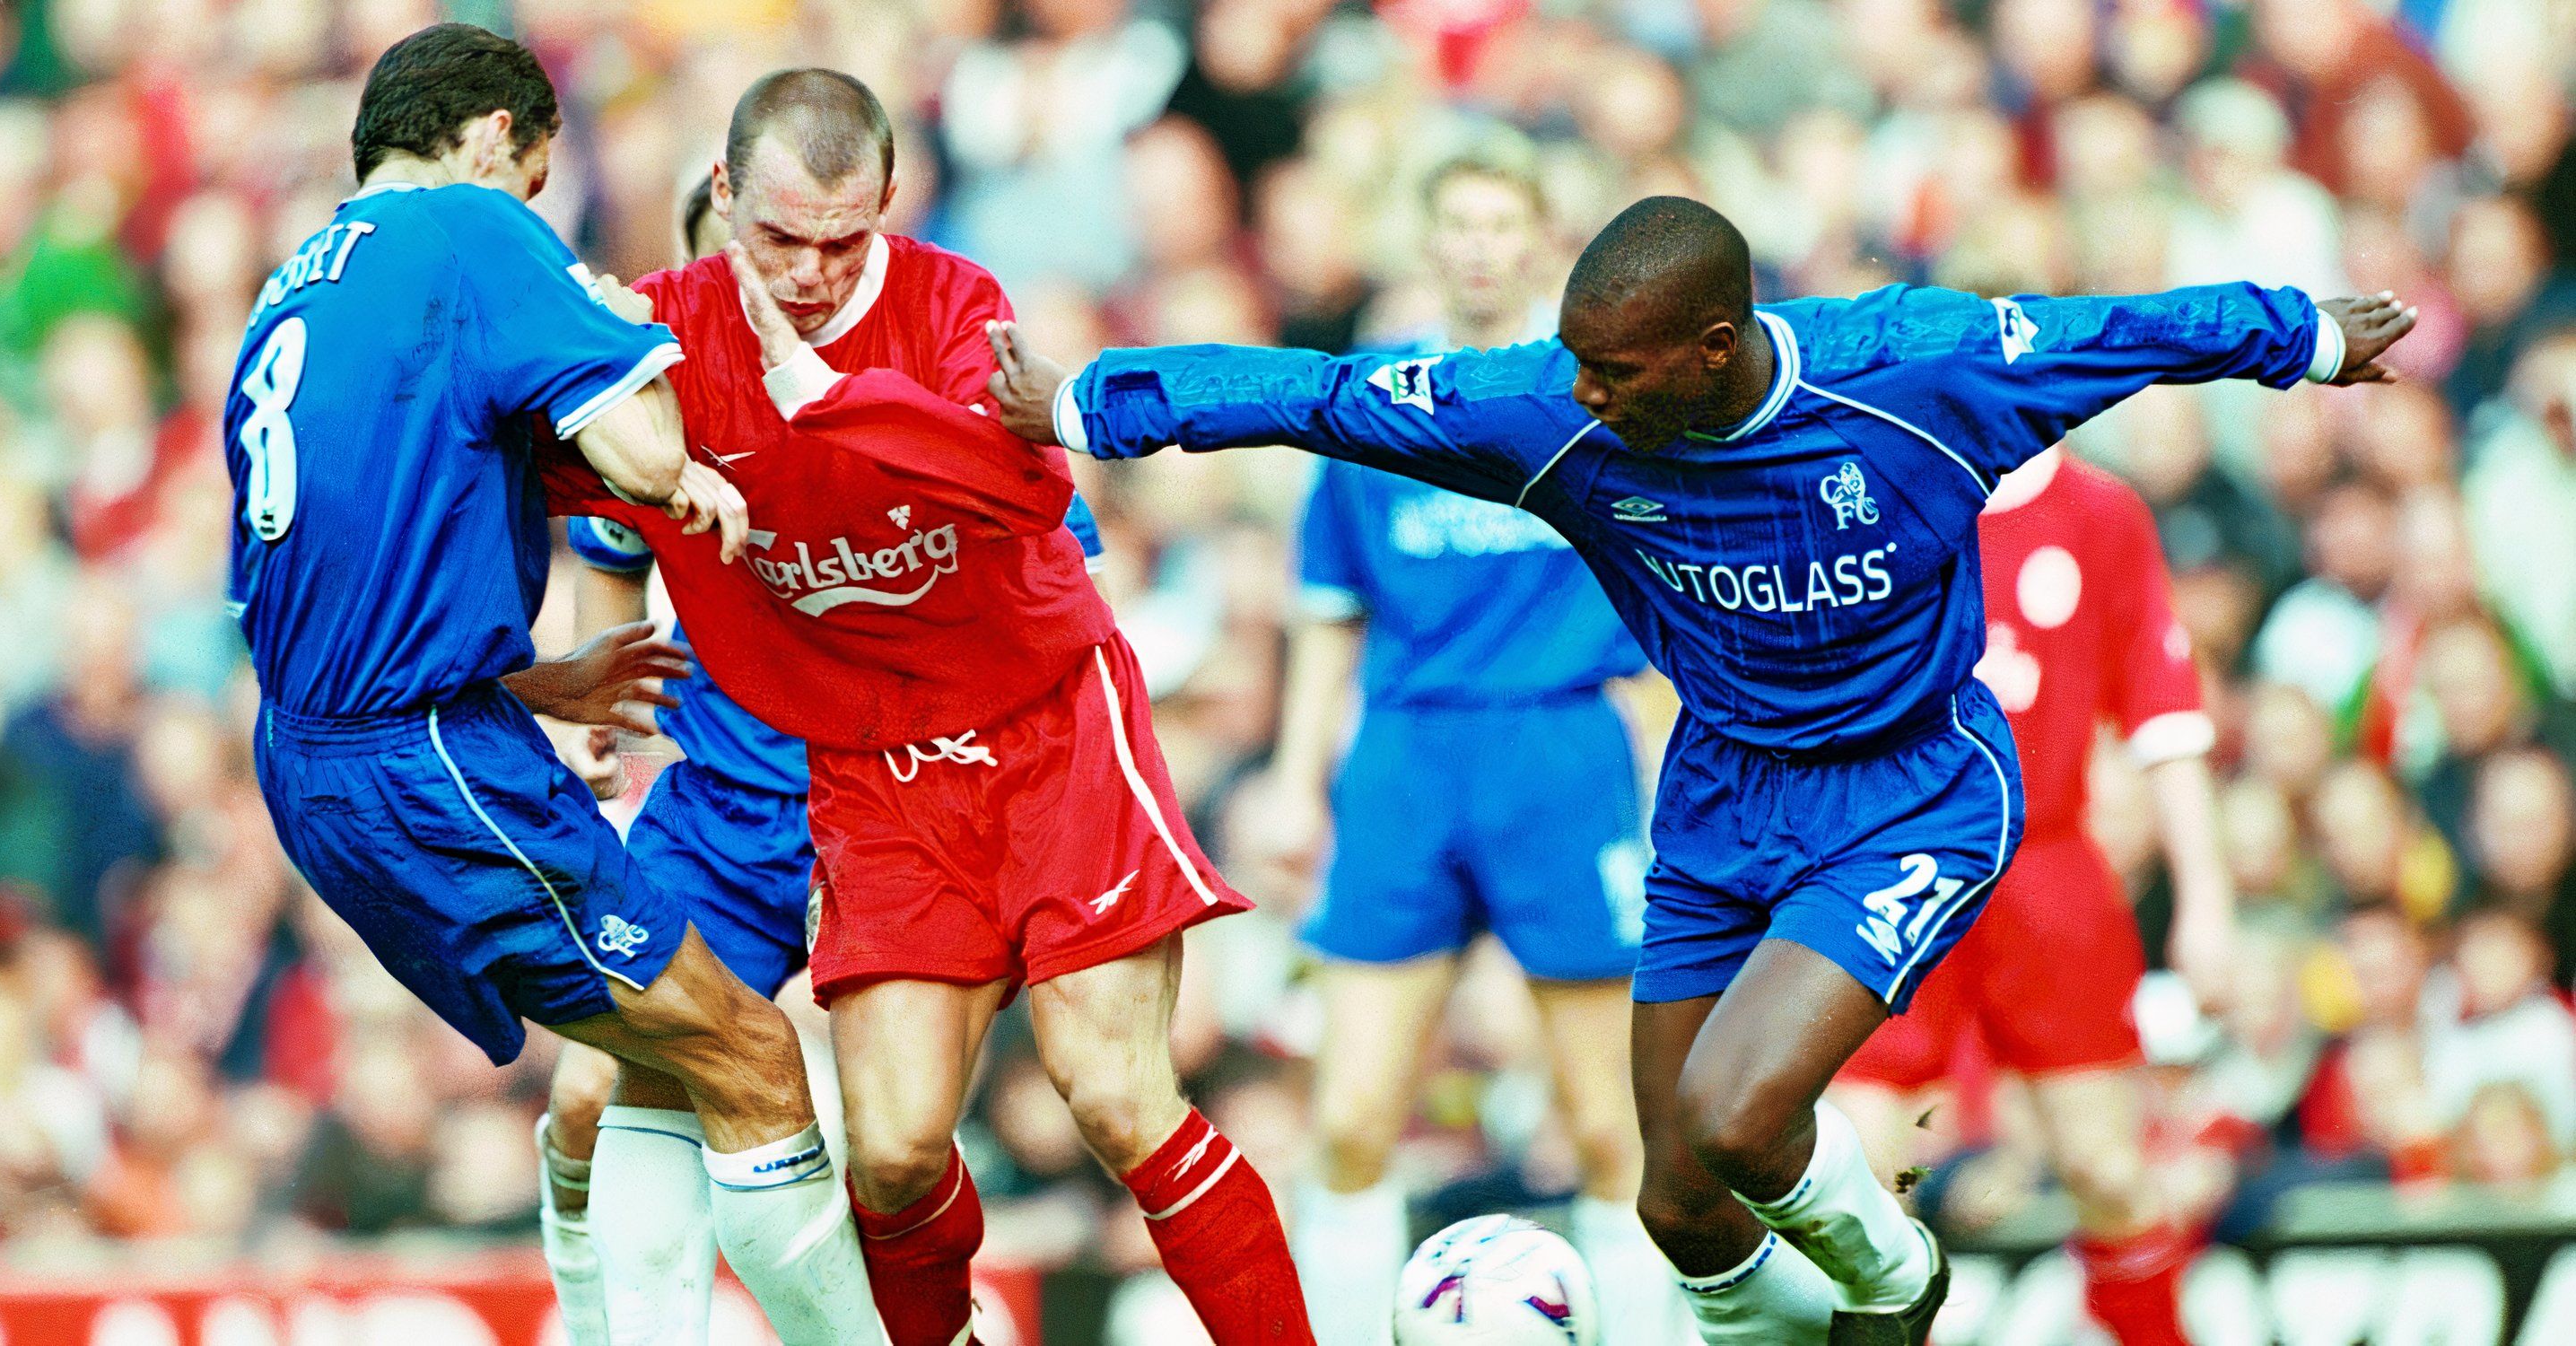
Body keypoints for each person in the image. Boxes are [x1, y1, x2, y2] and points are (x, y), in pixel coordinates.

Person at [991, 195, 2415, 1343]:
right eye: (1579, 363)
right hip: (1725, 802)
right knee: (1677, 1200)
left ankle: (1894, 1281)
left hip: (1908, 793)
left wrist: (2300, 337)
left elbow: (2123, 332)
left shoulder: (1917, 367)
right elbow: (1328, 397)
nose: (1587, 393)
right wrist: (1093, 404)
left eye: (1617, 369)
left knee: (1739, 1116)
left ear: (1718, 342)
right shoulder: (1549, 412)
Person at [536, 69, 1314, 1346]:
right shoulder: (655, 341)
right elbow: (516, 465)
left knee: (1116, 1099)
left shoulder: (960, 304)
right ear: (724, 197)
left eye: (846, 243)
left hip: (1047, 726)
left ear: (889, 206)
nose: (812, 276)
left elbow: (1019, 494)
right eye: (781, 239)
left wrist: (829, 399)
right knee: (890, 1155)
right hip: (874, 766)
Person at [224, 26, 878, 1345]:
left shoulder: (290, 287)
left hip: (327, 753)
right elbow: (643, 460)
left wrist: (530, 681)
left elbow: (344, 563)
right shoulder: (469, 227)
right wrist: (628, 358)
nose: (536, 211)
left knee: (641, 1069)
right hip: (427, 766)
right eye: (536, 181)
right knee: (747, 1057)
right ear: (491, 138)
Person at [533, 148, 1107, 1345]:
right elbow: (608, 583)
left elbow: (1058, 576)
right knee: (613, 1075)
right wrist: (601, 733)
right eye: (717, 264)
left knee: (891, 1140)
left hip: (902, 798)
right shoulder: (652, 410)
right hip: (728, 796)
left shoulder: (914, 386)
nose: (742, 290)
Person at [1265, 157, 1683, 1346]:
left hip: (1563, 749)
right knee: (1350, 1116)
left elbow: (1667, 598)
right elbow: (1328, 603)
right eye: (1459, 223)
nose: (1481, 247)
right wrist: (1298, 779)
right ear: (1428, 238)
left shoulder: (1601, 399)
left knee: (1611, 1125)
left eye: (1504, 223)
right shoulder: (1374, 402)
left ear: (1546, 241)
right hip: (1407, 755)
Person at [1831, 446, 2234, 1346]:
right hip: (1899, 863)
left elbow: (2164, 708)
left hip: (2046, 867)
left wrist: (2206, 898)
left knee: (2105, 1169)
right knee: (1860, 1173)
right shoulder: (1876, 486)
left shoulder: (2100, 510)